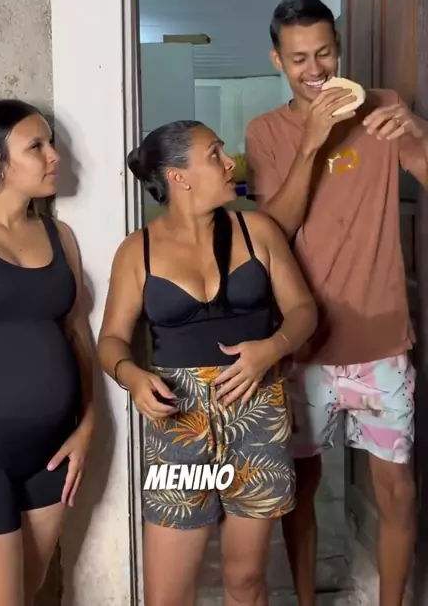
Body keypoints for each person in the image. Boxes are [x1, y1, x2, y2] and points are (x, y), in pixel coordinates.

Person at [246, 0, 428, 606]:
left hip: (382, 339)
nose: (315, 69)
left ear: (339, 47)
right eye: (299, 58)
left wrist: (420, 132)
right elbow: (274, 228)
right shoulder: (266, 131)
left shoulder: (383, 108)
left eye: (324, 52)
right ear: (277, 59)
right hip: (302, 346)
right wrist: (312, 142)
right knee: (299, 489)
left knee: (399, 491)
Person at [97, 119, 318, 606]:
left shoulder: (257, 230)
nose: (229, 163)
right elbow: (110, 340)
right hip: (180, 424)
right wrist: (132, 377)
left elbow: (304, 310)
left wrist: (271, 348)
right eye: (215, 154)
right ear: (179, 177)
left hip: (256, 413)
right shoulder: (137, 251)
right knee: (168, 593)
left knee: (246, 580)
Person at [0, 99, 94, 606]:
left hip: (50, 454)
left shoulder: (60, 236)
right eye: (37, 146)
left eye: (51, 143)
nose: (55, 156)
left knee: (25, 594)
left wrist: (89, 424)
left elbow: (78, 336)